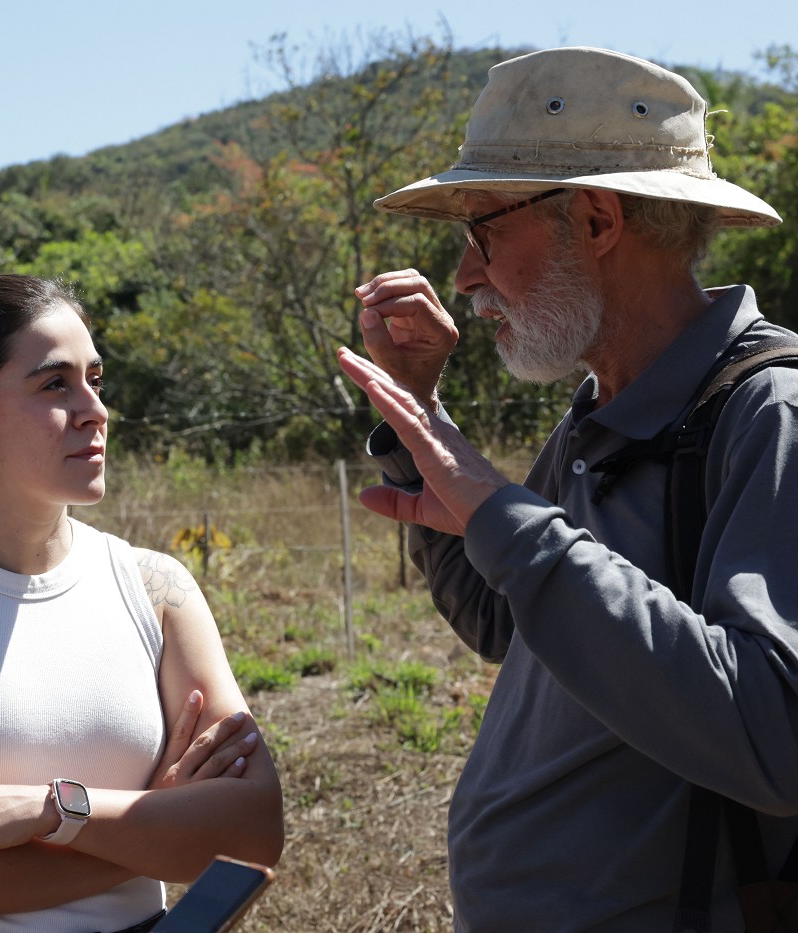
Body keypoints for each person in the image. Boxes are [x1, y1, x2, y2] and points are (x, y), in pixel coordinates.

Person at [335, 46, 796, 931]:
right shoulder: (609, 409)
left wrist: (509, 518)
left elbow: (772, 734)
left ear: (594, 220)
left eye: (484, 230)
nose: (466, 274)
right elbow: (506, 619)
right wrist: (421, 425)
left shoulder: (768, 414)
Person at [0, 274, 284, 933]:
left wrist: (48, 809)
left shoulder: (158, 589)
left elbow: (254, 829)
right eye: (54, 384)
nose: (95, 409)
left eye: (95, 378)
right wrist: (147, 825)